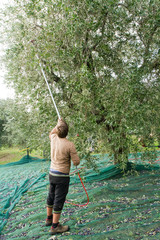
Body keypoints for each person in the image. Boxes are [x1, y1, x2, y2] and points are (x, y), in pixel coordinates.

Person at [46, 118, 80, 235]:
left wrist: (57, 124)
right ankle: (55, 227)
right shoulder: (70, 145)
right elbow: (76, 162)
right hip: (62, 177)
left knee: (51, 196)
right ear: (67, 131)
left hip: (52, 174)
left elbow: (52, 132)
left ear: (58, 130)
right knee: (58, 200)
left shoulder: (53, 138)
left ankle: (49, 219)